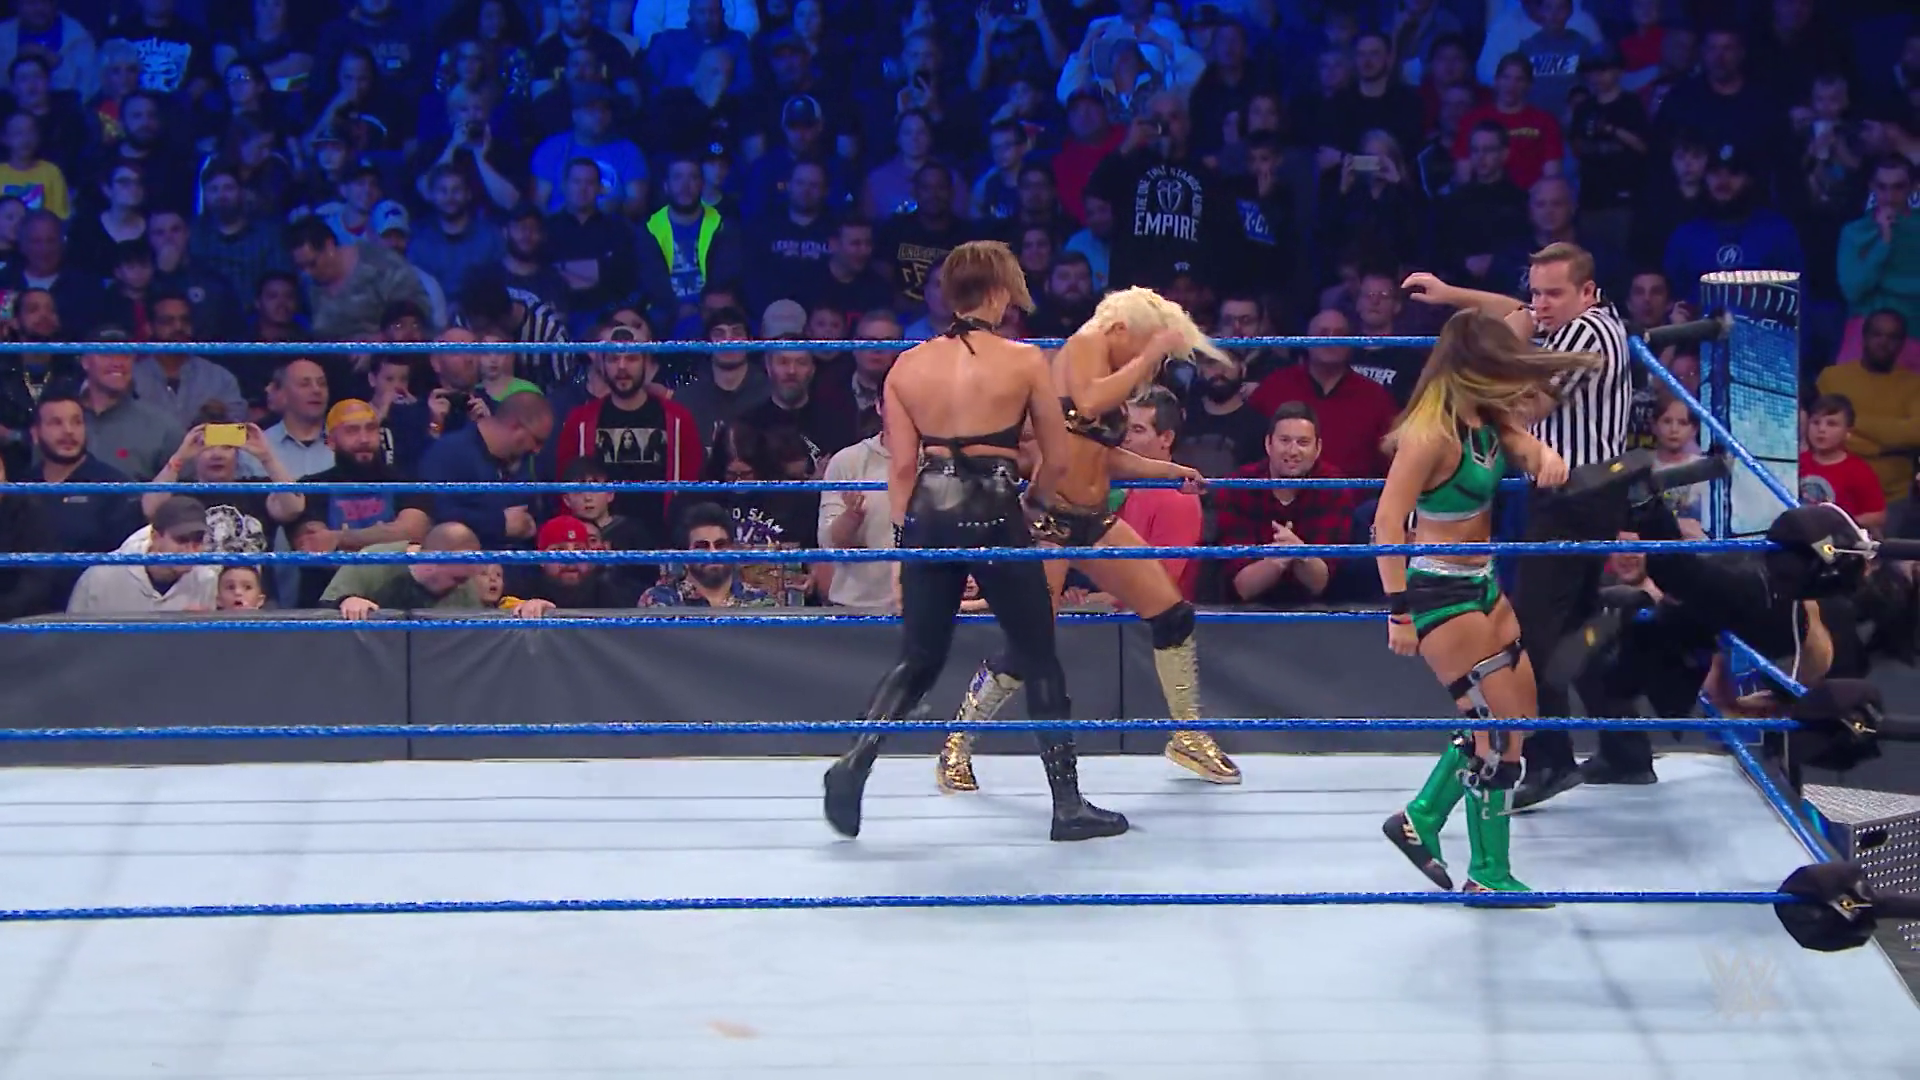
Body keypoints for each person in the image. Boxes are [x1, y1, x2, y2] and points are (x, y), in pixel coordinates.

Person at [821, 240, 1126, 843]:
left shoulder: (907, 366)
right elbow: (1058, 457)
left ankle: (854, 761)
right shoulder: (1023, 360)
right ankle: (1067, 806)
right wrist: (1033, 506)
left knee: (919, 658)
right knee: (1038, 652)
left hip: (929, 510)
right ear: (998, 292)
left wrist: (907, 542)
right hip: (995, 505)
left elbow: (901, 468)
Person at [934, 286, 1231, 794]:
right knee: (1029, 643)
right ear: (1122, 329)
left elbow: (1102, 456)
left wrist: (1169, 470)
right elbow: (1092, 401)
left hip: (1094, 519)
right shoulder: (1086, 344)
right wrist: (1152, 352)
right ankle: (955, 746)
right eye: (1143, 344)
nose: (1149, 361)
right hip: (1048, 522)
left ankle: (1187, 734)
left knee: (1172, 614)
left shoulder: (1106, 367)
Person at [1402, 241, 1639, 809]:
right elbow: (1519, 313)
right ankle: (1627, 751)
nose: (1541, 304)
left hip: (1574, 496)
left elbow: (1528, 405)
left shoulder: (1587, 335)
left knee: (1533, 628)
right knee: (1578, 621)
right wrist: (1452, 295)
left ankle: (1549, 760)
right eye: (1536, 292)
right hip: (1578, 492)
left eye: (1554, 293)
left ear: (1588, 291)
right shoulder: (1576, 318)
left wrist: (1471, 372)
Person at [1375, 309, 1596, 898]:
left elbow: (1522, 437)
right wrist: (1398, 610)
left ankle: (1421, 817)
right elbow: (1387, 522)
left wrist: (1542, 455)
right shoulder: (1430, 433)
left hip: (1486, 582)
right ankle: (1489, 874)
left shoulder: (1488, 418)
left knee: (1517, 721)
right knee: (1497, 736)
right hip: (1440, 592)